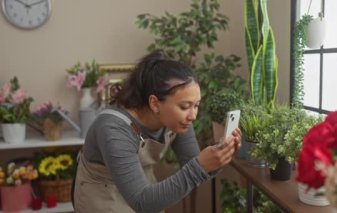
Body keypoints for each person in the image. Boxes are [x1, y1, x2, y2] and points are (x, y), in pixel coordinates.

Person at [73, 51, 241, 213]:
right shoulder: (113, 128)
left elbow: (193, 164)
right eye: (185, 106)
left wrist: (218, 158)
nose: (193, 115)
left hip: (145, 191)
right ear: (154, 103)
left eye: (196, 105)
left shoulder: (178, 120)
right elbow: (142, 202)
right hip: (103, 195)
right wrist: (200, 166)